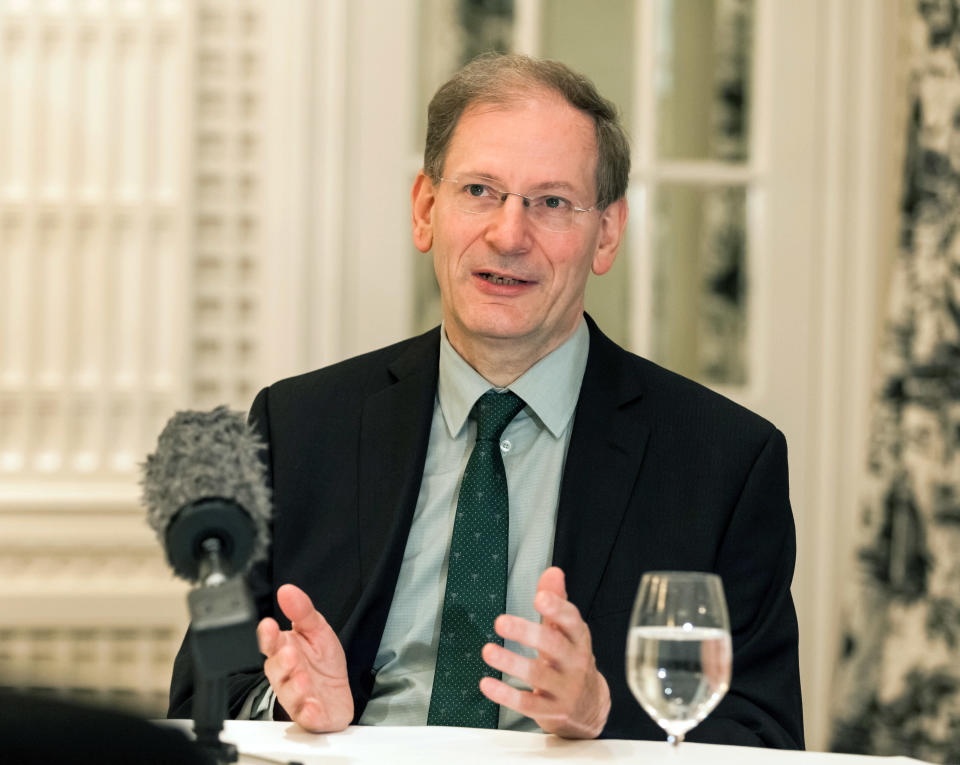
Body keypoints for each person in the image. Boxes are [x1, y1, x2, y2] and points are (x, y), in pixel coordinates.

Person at [169, 52, 804, 747]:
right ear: (425, 210)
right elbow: (202, 688)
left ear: (608, 233)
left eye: (552, 202)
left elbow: (763, 735)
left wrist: (602, 712)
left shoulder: (724, 464)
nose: (509, 234)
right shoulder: (295, 429)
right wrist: (287, 704)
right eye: (479, 190)